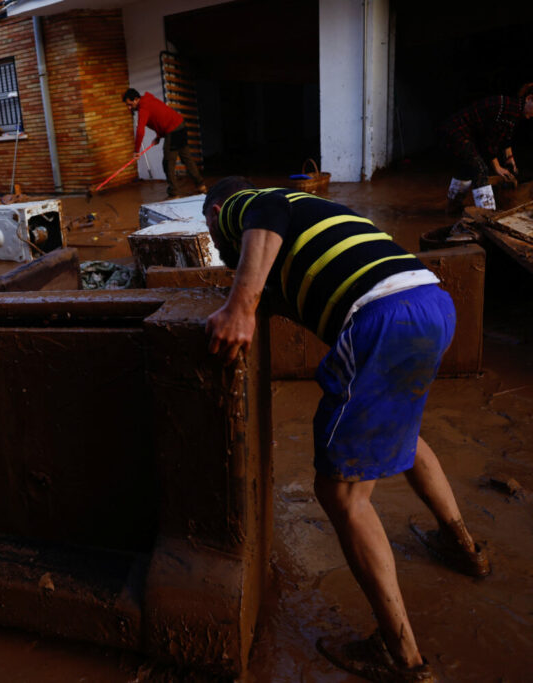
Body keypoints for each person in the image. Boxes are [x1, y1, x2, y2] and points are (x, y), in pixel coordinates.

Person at [201, 176, 489, 681]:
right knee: (406, 431)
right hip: (431, 303)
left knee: (341, 494)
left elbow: (263, 208)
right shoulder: (312, 221)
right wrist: (253, 294)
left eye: (213, 228)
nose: (217, 241)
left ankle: (400, 654)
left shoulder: (247, 206)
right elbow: (295, 282)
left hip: (381, 315)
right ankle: (462, 546)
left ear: (220, 207)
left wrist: (238, 307)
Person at [439, 82, 533, 210]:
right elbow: (489, 143)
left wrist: (510, 158)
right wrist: (497, 167)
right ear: (529, 99)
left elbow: (506, 137)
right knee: (480, 169)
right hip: (456, 132)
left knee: (468, 167)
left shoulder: (514, 109)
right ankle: (487, 214)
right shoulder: (508, 110)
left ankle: (452, 206)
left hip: (459, 132)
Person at [121, 87, 206, 197]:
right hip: (180, 125)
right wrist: (159, 136)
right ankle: (201, 185)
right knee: (186, 158)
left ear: (136, 99)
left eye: (129, 104)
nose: (129, 108)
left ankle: (174, 193)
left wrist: (136, 151)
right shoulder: (149, 99)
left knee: (168, 164)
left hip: (173, 131)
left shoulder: (143, 108)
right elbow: (160, 118)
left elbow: (140, 131)